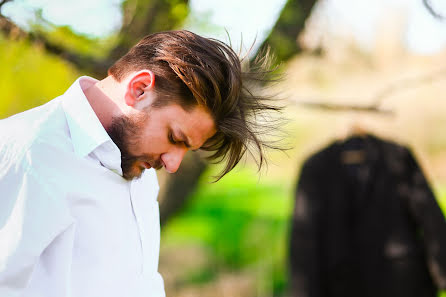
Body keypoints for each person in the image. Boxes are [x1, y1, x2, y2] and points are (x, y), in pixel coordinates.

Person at [0, 30, 280, 297]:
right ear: (140, 89)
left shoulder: (134, 163)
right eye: (175, 137)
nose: (172, 165)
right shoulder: (28, 155)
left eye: (187, 149)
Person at [289, 134, 446, 297]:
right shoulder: (315, 168)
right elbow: (303, 241)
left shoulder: (399, 159)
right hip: (338, 282)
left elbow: (431, 220)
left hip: (400, 284)